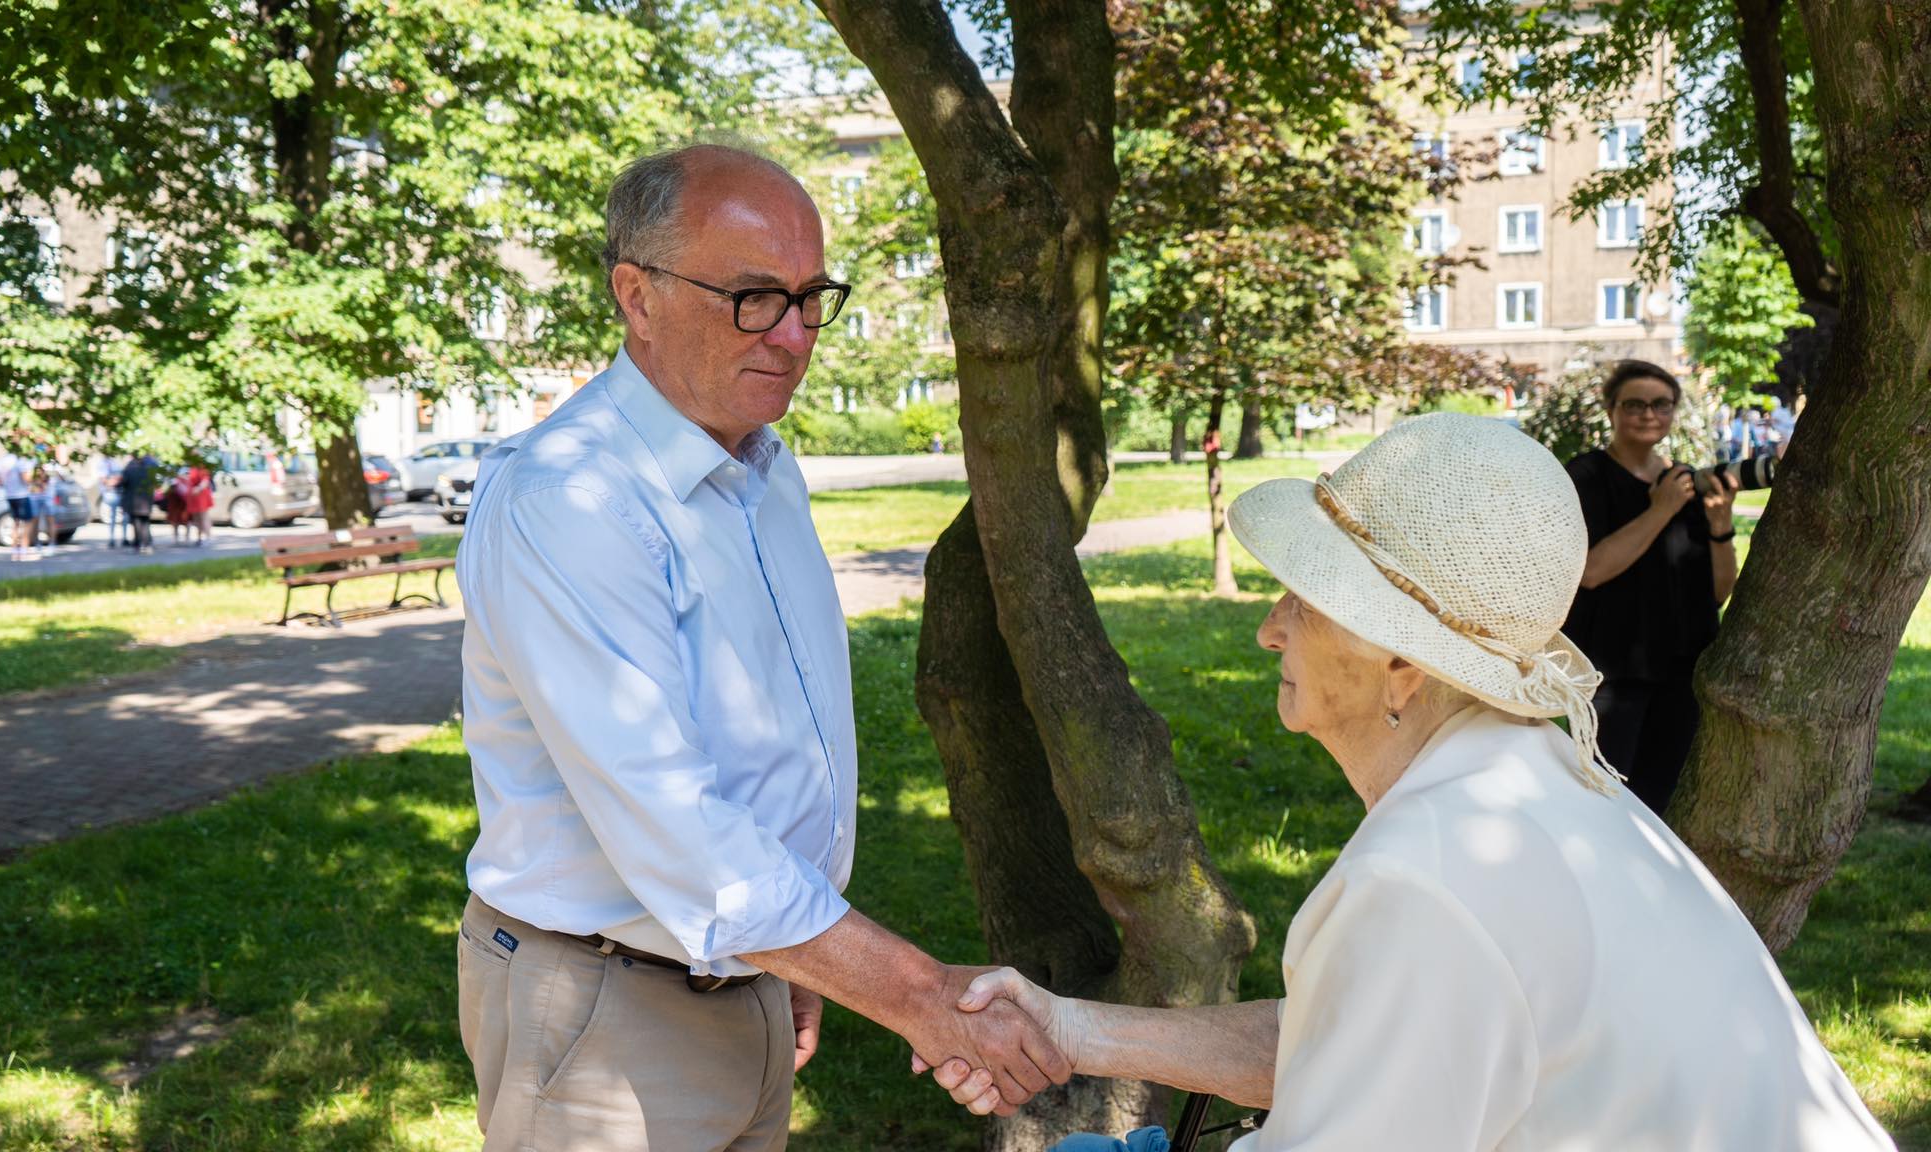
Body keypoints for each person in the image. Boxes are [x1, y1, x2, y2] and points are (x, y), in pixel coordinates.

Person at [923, 413, 1894, 1152]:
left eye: (1303, 599)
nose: (1269, 628)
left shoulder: (1428, 874)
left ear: (1403, 668)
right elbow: (1343, 1040)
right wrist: (1065, 1028)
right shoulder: (1526, 781)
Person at [453, 143, 1065, 1152]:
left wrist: (797, 956)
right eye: (750, 297)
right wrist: (912, 993)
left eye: (808, 296)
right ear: (634, 293)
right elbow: (674, 824)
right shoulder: (570, 497)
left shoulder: (763, 466)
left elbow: (773, 738)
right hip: (607, 1015)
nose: (791, 335)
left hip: (754, 973)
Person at [1561, 360, 1737, 814]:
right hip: (1612, 673)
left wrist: (1720, 526)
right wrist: (1659, 510)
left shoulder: (1685, 481)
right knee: (1600, 798)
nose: (1647, 414)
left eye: (1661, 404)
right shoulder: (1586, 476)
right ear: (1611, 410)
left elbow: (1717, 593)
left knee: (1658, 803)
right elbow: (1592, 570)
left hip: (1682, 671)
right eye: (1634, 404)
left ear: (1674, 411)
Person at [0, 441, 36, 561]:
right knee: (27, 524)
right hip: (22, 495)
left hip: (10, 495)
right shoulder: (20, 460)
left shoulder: (1, 462)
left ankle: (14, 552)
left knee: (15, 523)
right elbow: (26, 479)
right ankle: (24, 551)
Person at [120, 452, 157, 553]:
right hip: (146, 501)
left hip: (134, 501)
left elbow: (123, 483)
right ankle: (146, 543)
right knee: (145, 523)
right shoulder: (149, 468)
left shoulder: (129, 468)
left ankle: (139, 544)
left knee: (136, 524)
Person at [98, 453, 127, 548]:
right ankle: (112, 538)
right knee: (113, 517)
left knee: (124, 517)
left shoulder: (116, 462)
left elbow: (121, 478)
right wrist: (115, 480)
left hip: (119, 492)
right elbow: (105, 480)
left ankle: (123, 538)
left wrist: (116, 480)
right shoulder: (103, 464)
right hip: (111, 493)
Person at [183, 460, 214, 545]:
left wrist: (198, 489)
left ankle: (208, 537)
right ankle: (199, 537)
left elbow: (205, 481)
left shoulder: (201, 466)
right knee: (196, 518)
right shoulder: (190, 467)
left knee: (204, 516)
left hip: (201, 495)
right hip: (193, 496)